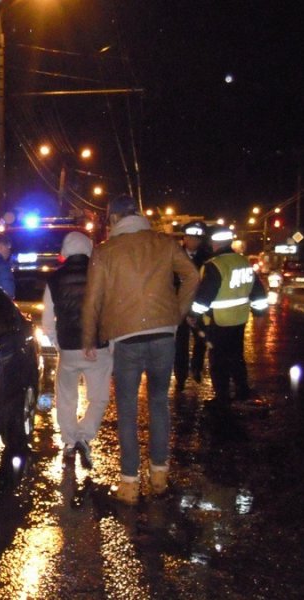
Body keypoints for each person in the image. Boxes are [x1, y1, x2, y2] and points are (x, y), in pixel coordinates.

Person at [81, 195, 199, 503]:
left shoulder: (105, 252)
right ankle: (159, 475)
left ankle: (130, 483)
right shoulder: (163, 243)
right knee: (159, 402)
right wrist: (177, 314)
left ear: (115, 220)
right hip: (164, 335)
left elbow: (92, 299)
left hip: (125, 338)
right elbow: (192, 275)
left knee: (128, 409)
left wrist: (89, 338)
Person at [42, 232, 112, 470]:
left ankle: (70, 441)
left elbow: (48, 318)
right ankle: (85, 434)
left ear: (66, 251)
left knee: (67, 395)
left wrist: (57, 342)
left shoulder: (55, 279)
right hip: (98, 346)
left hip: (69, 346)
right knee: (99, 396)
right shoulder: (101, 275)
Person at [189, 225, 268, 411]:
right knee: (236, 356)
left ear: (214, 243)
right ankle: (242, 390)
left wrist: (194, 314)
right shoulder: (244, 262)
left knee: (218, 360)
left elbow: (205, 295)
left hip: (219, 321)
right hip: (239, 320)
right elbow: (258, 292)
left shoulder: (214, 265)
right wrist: (258, 314)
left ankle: (222, 397)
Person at [174, 221, 212, 392]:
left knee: (201, 339)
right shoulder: (175, 255)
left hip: (199, 306)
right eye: (190, 237)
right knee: (180, 344)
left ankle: (196, 368)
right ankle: (180, 377)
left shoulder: (207, 257)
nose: (193, 241)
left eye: (197, 238)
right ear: (184, 238)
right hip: (179, 306)